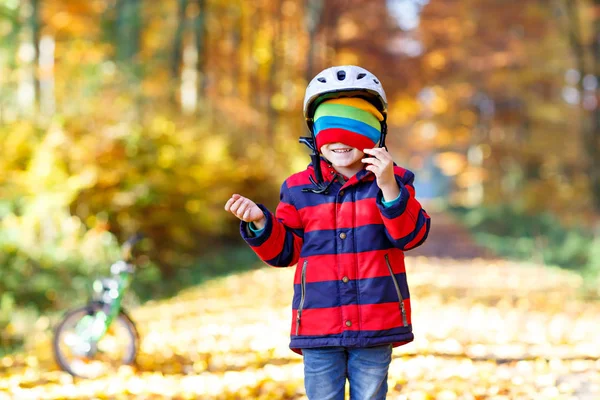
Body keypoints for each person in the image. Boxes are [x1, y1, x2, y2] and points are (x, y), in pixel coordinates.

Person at [224, 65, 431, 400]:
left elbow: (411, 235)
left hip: (376, 322)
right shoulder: (297, 189)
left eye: (353, 128)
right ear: (315, 135)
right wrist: (261, 223)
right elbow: (285, 251)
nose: (340, 141)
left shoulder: (394, 181)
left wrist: (389, 187)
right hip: (319, 324)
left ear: (376, 133)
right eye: (330, 129)